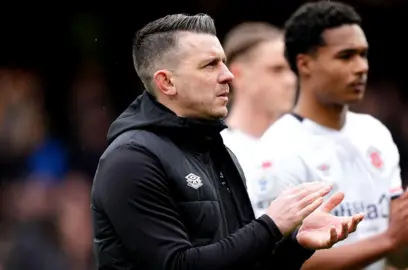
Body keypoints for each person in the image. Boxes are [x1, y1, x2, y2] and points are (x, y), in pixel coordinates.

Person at [90, 13, 364, 270]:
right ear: (166, 83)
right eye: (210, 65)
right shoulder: (131, 160)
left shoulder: (217, 151)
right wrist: (271, 225)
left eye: (223, 61)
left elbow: (241, 263)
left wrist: (296, 244)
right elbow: (176, 265)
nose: (228, 75)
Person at [248, 1, 408, 270]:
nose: (361, 67)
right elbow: (281, 263)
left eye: (364, 54)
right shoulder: (279, 147)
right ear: (305, 64)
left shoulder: (375, 133)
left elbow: (399, 258)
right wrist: (389, 238)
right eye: (346, 56)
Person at [220, 22, 297, 211]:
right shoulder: (215, 150)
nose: (291, 80)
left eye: (292, 69)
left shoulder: (304, 142)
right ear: (238, 75)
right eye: (276, 69)